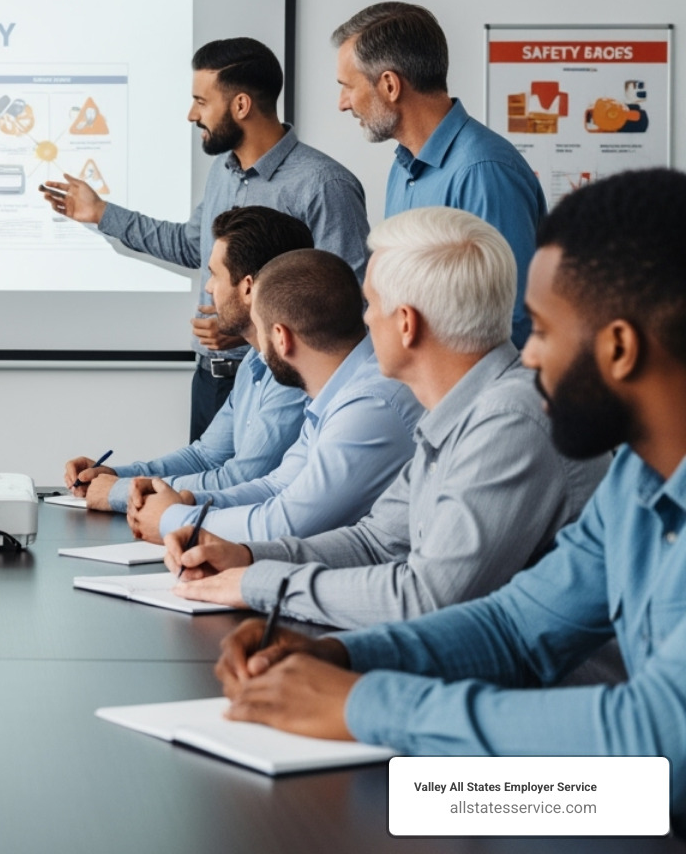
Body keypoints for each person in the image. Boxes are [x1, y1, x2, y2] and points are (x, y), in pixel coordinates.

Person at [210, 170, 686, 818]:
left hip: (635, 792)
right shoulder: (637, 476)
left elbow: (654, 737)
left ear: (620, 348)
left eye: (542, 330)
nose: (531, 357)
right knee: (399, 809)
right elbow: (517, 626)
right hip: (624, 791)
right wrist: (341, 655)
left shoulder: (516, 413)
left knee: (398, 810)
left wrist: (360, 702)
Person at [165, 207, 610, 627]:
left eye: (370, 304)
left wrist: (257, 583)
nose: (362, 320)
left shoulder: (510, 419)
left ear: (405, 324)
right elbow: (376, 542)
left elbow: (425, 597)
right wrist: (247, 556)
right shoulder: (462, 410)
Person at [43, 37, 370, 440]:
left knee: (257, 496)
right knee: (201, 488)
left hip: (283, 388)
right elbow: (190, 246)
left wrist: (249, 329)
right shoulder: (224, 171)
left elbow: (349, 303)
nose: (191, 114)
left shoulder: (323, 185)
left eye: (201, 101)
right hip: (211, 381)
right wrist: (102, 214)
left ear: (241, 106)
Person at [125, 249, 422, 544]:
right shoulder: (339, 390)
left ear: (281, 337)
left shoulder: (369, 405)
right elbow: (277, 486)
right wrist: (191, 502)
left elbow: (283, 524)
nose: (257, 346)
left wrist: (171, 520)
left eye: (259, 328)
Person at [62, 207, 312, 512]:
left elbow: (242, 478)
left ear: (247, 287)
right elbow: (205, 456)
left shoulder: (292, 375)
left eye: (214, 274)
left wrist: (120, 491)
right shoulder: (253, 363)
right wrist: (116, 475)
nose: (207, 287)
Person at [332, 1, 545, 346]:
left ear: (389, 85)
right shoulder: (402, 167)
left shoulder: (484, 171)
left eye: (348, 86)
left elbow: (511, 318)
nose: (343, 103)